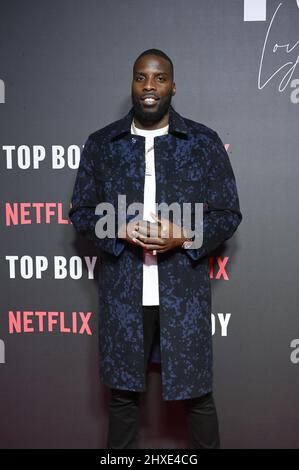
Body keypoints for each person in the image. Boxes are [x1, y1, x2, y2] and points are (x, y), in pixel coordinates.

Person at [69, 48, 242, 449]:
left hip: (183, 294)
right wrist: (121, 228)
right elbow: (81, 213)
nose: (150, 87)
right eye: (141, 78)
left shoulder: (202, 142)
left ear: (173, 86)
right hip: (123, 296)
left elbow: (227, 214)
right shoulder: (103, 143)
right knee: (123, 398)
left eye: (159, 78)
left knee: (198, 397)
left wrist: (181, 236)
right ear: (132, 84)